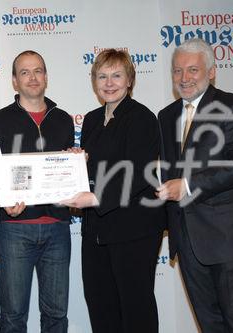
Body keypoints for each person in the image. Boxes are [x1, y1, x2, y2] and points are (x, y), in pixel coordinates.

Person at [157, 38, 233, 332]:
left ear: (212, 71)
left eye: (192, 70)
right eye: (177, 71)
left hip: (229, 236)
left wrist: (189, 185)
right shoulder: (166, 116)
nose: (184, 78)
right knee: (209, 323)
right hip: (187, 239)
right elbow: (168, 173)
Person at [60, 49, 165, 333]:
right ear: (94, 81)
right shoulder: (93, 119)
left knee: (135, 306)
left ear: (130, 80)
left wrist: (95, 197)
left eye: (116, 75)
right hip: (97, 228)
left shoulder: (142, 117)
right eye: (102, 76)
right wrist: (78, 162)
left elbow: (138, 170)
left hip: (134, 228)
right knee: (100, 304)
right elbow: (100, 168)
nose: (109, 83)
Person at [0, 50, 75, 332]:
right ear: (14, 81)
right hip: (14, 229)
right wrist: (2, 200)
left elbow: (68, 175)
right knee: (14, 315)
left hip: (57, 227)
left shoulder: (64, 119)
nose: (33, 77)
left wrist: (78, 164)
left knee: (56, 315)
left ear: (46, 77)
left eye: (38, 70)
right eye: (25, 72)